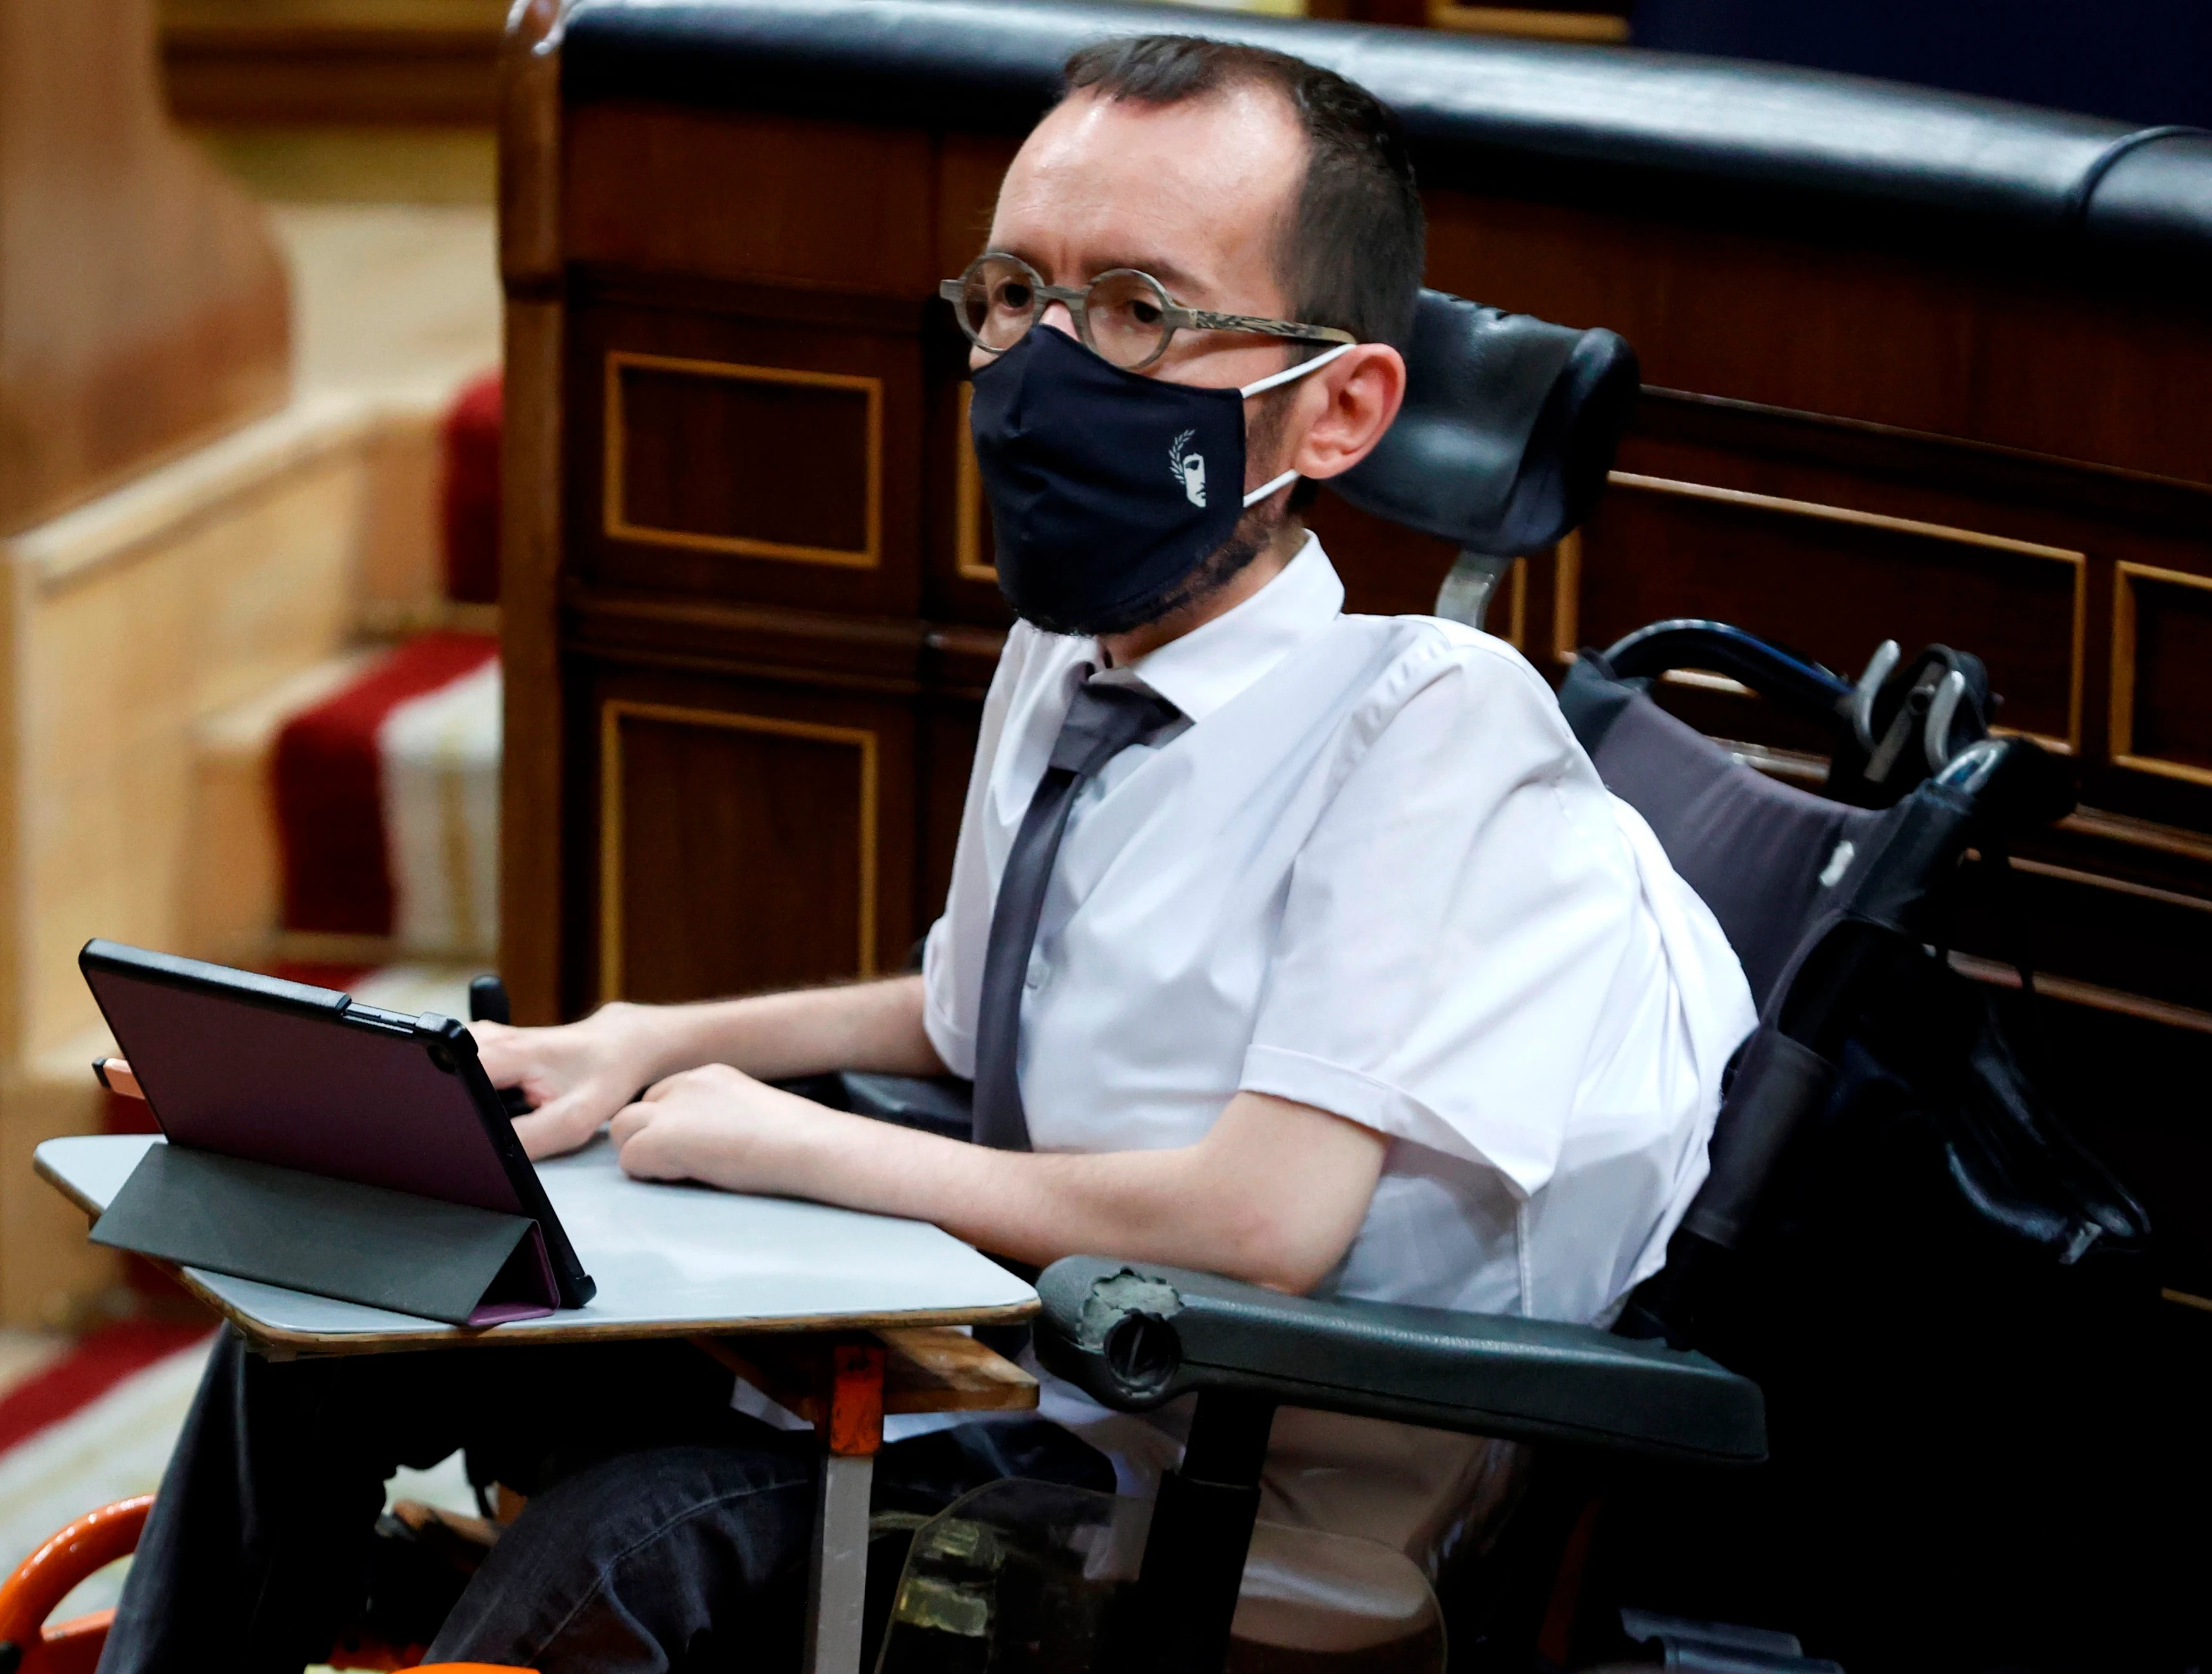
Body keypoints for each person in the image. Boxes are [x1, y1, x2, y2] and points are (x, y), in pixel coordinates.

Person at [97, 35, 1755, 1674]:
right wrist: (645, 1044)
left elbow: (1265, 1224)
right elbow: (973, 1016)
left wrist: (799, 1152)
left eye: (1139, 310)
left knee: (621, 1551)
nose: (1043, 360)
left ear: (1336, 410)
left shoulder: (1429, 725)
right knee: (339, 1302)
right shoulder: (1076, 648)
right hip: (996, 1370)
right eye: (1018, 291)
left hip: (1199, 1507)